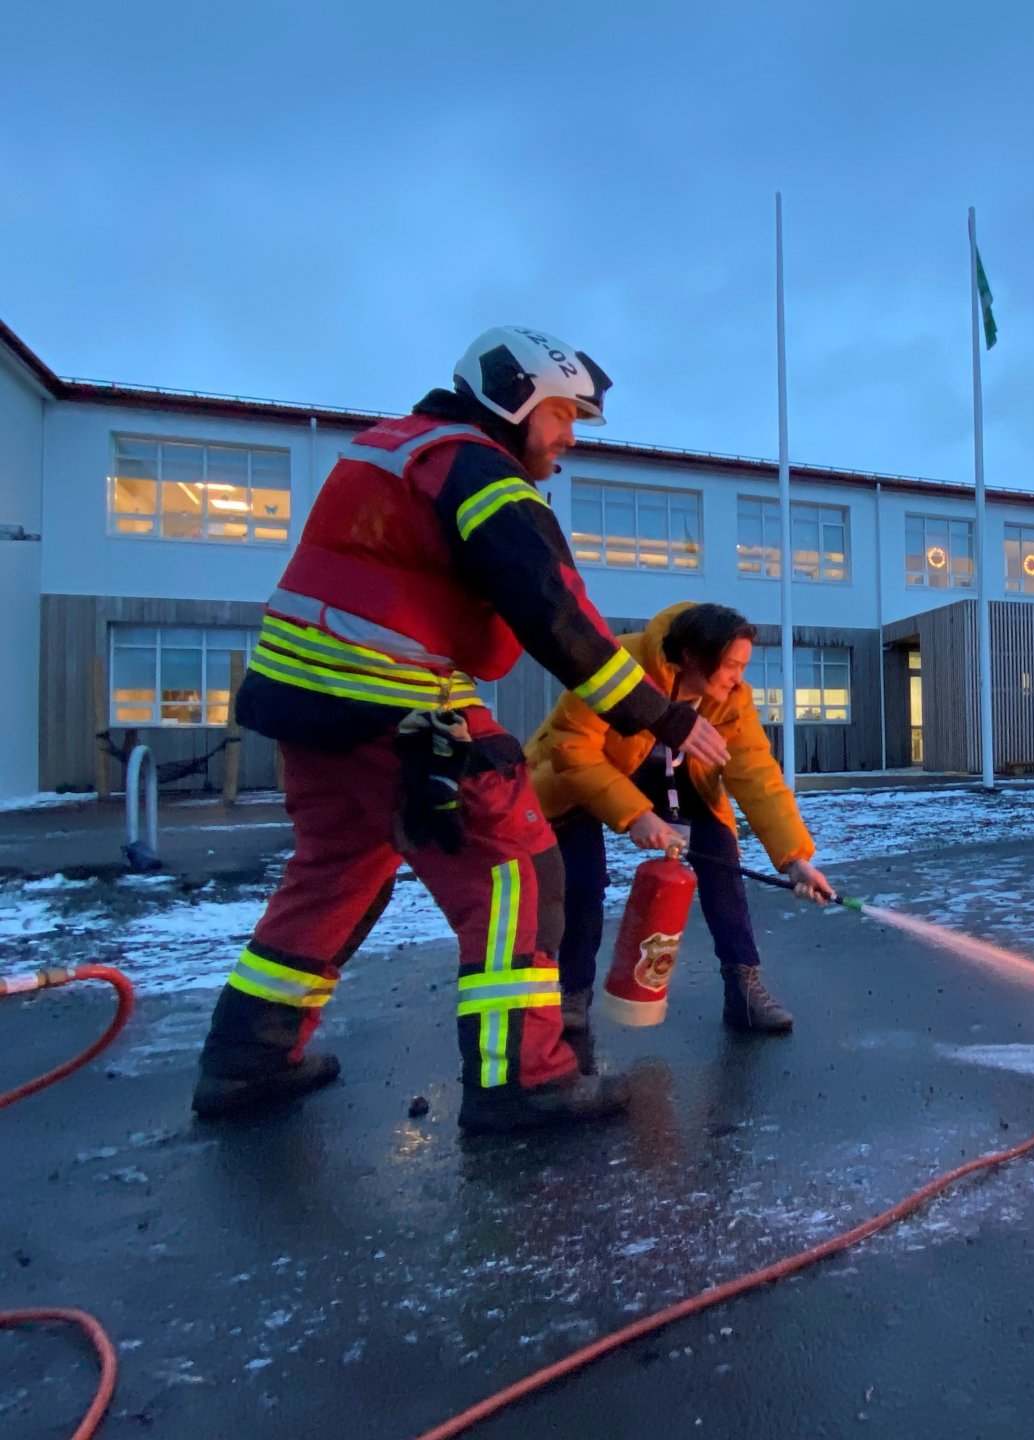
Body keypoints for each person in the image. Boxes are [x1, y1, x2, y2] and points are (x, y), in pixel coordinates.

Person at [191, 326, 730, 1134]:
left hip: (308, 708)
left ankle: (247, 1056)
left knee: (335, 874)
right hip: (392, 704)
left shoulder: (396, 452)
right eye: (560, 417)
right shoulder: (478, 470)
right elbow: (555, 612)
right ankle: (522, 1080)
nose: (568, 440)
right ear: (512, 400)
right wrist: (663, 715)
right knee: (515, 873)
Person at [528, 602, 835, 1070]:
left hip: (674, 782)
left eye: (743, 666)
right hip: (579, 777)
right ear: (692, 655)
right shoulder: (617, 664)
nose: (738, 677)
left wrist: (795, 859)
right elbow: (572, 747)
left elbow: (757, 774)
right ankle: (571, 998)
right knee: (583, 883)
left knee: (722, 858)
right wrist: (634, 816)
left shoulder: (732, 699)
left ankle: (743, 990)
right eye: (731, 665)